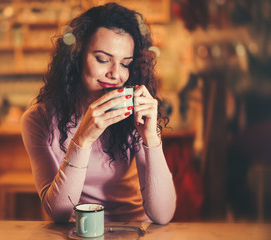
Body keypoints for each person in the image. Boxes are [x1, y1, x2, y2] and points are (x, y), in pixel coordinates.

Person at [20, 3, 176, 224]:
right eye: (102, 59)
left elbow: (163, 215)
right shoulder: (38, 119)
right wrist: (83, 139)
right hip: (78, 232)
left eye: (125, 64)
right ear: (76, 58)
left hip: (134, 229)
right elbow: (58, 213)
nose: (115, 74)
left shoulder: (131, 113)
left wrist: (152, 138)